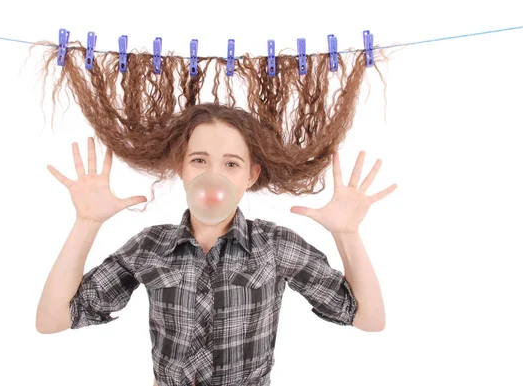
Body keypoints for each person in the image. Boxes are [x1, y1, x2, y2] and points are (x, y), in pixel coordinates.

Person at [35, 107, 396, 386]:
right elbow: (53, 320)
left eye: (231, 163)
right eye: (199, 160)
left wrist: (347, 235)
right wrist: (87, 222)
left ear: (250, 176)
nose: (214, 175)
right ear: (182, 167)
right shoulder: (149, 246)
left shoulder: (274, 245)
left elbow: (368, 319)